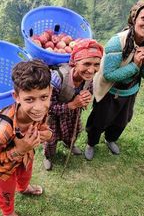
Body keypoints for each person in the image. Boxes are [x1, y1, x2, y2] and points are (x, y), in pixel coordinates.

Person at [85, 0, 144, 160]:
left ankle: (110, 139)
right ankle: (91, 143)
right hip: (109, 91)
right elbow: (109, 74)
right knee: (99, 120)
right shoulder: (117, 42)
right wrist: (135, 66)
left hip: (129, 92)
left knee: (122, 121)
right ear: (135, 18)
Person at [0, 59, 53, 216]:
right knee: (5, 193)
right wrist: (19, 149)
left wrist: (48, 133)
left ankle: (24, 187)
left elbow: (43, 126)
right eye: (29, 99)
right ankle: (8, 212)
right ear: (16, 96)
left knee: (25, 174)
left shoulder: (40, 111)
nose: (39, 107)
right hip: (4, 170)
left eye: (43, 97)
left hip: (27, 156)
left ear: (50, 91)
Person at [42, 39, 104, 170]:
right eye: (86, 63)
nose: (91, 70)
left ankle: (69, 144)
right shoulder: (57, 78)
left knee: (73, 133)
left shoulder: (88, 76)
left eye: (96, 65)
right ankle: (48, 156)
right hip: (54, 118)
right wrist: (72, 104)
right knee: (50, 139)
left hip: (72, 115)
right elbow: (48, 108)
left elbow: (89, 89)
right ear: (75, 62)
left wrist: (87, 96)